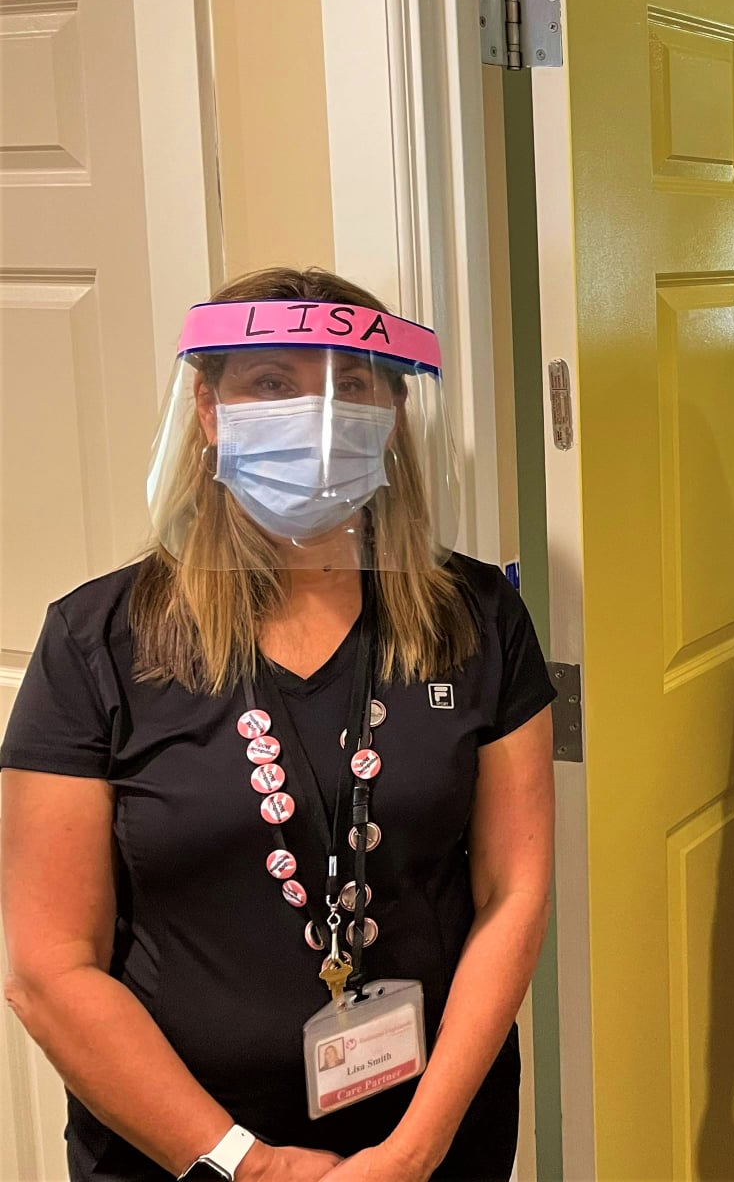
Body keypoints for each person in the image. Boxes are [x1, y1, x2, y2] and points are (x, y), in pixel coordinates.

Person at [2, 268, 554, 1182]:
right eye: (270, 383)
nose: (319, 417)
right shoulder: (96, 641)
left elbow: (513, 894)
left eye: (353, 385)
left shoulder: (476, 618)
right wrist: (243, 1165)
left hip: (432, 1132)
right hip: (175, 1153)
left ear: (393, 415)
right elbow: (50, 968)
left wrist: (416, 1150)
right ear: (210, 409)